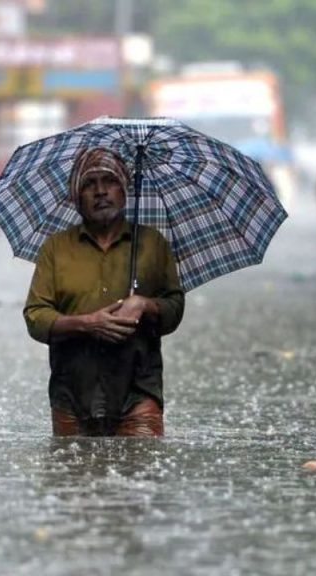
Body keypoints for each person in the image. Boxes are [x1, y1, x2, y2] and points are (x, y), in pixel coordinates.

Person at [23, 147, 185, 437]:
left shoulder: (152, 244)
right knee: (72, 476)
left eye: (109, 181)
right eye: (89, 184)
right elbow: (36, 317)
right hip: (72, 394)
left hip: (138, 392)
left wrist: (144, 304)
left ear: (124, 191)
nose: (100, 192)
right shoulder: (56, 249)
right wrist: (87, 324)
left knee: (141, 476)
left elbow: (174, 309)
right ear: (75, 198)